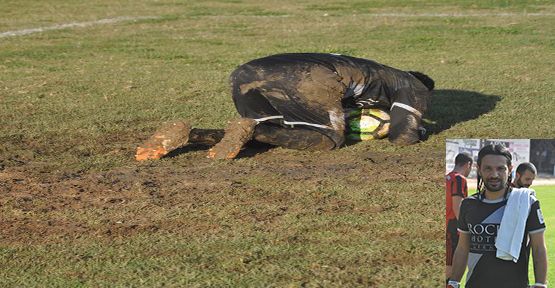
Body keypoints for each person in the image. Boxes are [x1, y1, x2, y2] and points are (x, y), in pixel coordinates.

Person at [135, 53, 434, 161]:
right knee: (328, 140)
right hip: (307, 77)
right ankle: (248, 126)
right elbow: (402, 137)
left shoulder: (374, 71)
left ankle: (191, 135)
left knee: (274, 134)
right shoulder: (413, 85)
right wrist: (414, 129)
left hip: (248, 73)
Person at [447, 144, 548, 288]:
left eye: (501, 169)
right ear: (479, 169)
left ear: (510, 170)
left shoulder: (526, 202)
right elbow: (462, 248)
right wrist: (454, 281)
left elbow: (538, 248)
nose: (494, 174)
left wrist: (540, 284)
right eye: (488, 168)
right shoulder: (468, 204)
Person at [445, 152, 473, 279]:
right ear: (468, 164)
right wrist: (465, 231)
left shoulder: (447, 177)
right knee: (452, 271)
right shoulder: (459, 179)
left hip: (447, 226)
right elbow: (457, 207)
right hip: (453, 228)